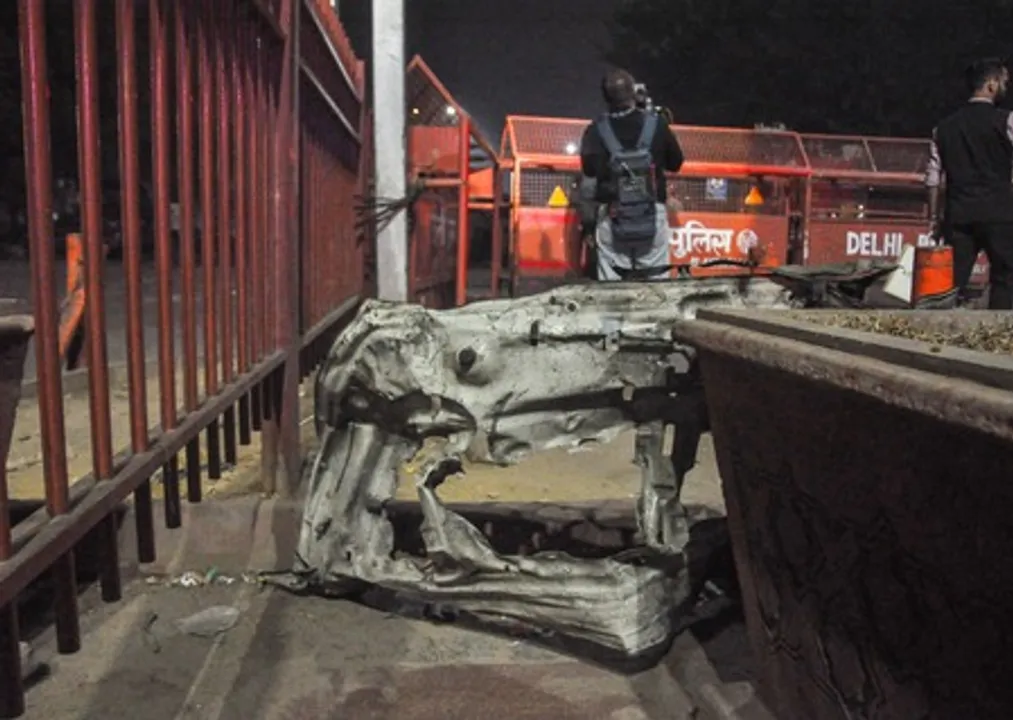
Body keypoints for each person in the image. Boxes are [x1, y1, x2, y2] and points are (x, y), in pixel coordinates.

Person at [579, 69, 684, 281]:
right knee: (656, 287)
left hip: (613, 215)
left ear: (605, 97)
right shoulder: (656, 124)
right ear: (633, 92)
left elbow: (589, 170)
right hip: (652, 214)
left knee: (612, 289)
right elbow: (676, 162)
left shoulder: (596, 131)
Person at [926, 57, 1013, 309]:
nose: (1006, 87)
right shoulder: (1006, 121)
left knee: (950, 283)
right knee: (1005, 278)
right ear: (992, 84)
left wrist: (934, 218)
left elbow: (933, 178)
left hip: (959, 215)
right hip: (1000, 214)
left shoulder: (943, 128)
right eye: (1004, 81)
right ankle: (1000, 335)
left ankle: (939, 332)